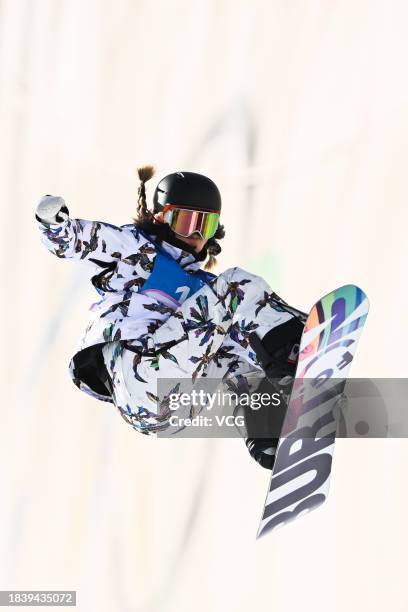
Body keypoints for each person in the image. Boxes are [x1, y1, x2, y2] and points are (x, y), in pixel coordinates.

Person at [35, 167, 305, 469]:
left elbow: (246, 338)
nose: (196, 235)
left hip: (170, 411)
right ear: (162, 217)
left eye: (206, 224)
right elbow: (85, 241)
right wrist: (54, 224)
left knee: (235, 357)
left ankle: (267, 437)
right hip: (140, 369)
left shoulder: (202, 290)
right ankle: (295, 346)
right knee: (235, 286)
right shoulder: (138, 251)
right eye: (187, 222)